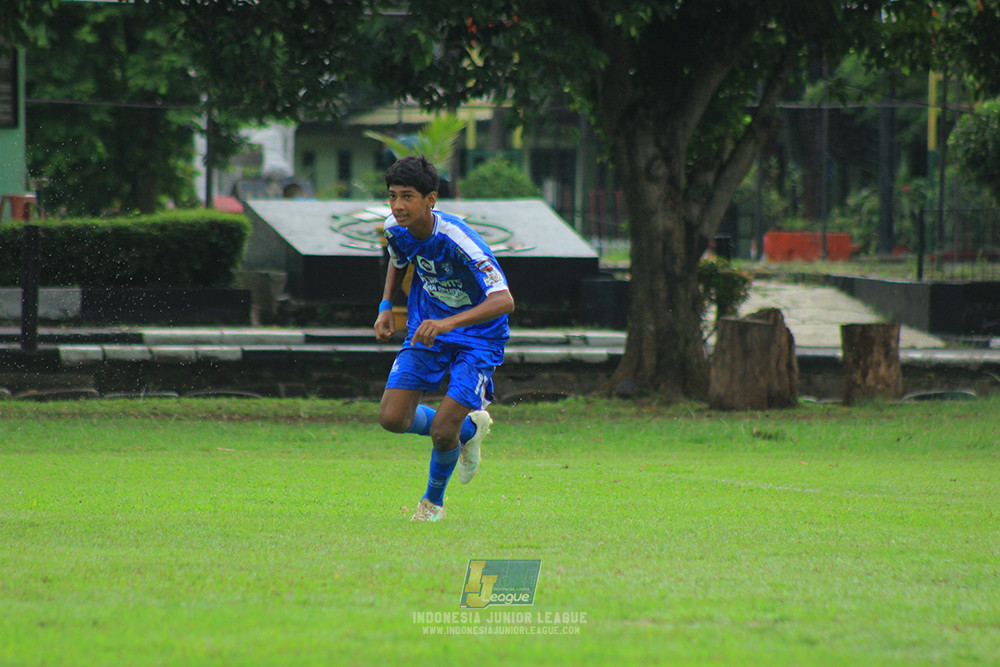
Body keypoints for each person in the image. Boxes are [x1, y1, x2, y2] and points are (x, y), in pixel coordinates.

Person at [374, 156, 515, 522]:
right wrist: (386, 305)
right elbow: (398, 260)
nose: (398, 205)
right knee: (392, 418)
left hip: (479, 338)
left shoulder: (460, 240)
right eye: (392, 196)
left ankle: (432, 504)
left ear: (431, 200)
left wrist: (449, 323)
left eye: (407, 196)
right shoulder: (395, 228)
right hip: (428, 329)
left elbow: (504, 300)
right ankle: (470, 429)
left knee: (441, 431)